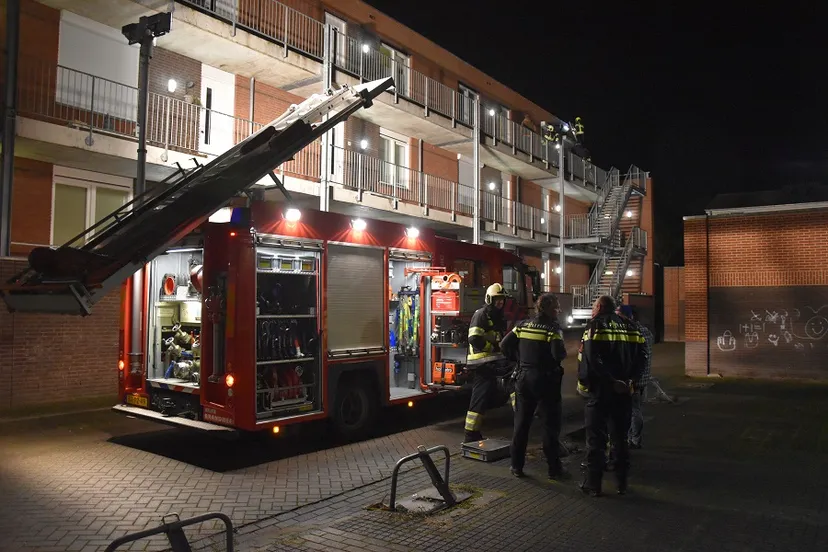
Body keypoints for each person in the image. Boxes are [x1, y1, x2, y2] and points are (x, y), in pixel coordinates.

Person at [577, 295, 646, 497]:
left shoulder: (595, 326)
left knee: (596, 440)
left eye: (593, 307)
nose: (592, 311)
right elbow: (642, 357)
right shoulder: (631, 326)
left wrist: (609, 381)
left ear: (599, 307)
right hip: (624, 392)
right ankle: (621, 483)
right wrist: (631, 381)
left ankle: (593, 485)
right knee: (620, 439)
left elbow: (591, 359)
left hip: (601, 392)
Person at [500, 293, 569, 480]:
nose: (558, 311)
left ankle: (516, 466)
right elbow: (558, 355)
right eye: (556, 307)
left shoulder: (522, 325)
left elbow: (504, 345)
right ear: (547, 308)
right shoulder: (552, 329)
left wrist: (520, 361)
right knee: (550, 426)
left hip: (523, 379)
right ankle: (554, 469)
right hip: (546, 381)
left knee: (521, 424)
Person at [463, 283, 509, 443]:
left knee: (491, 394)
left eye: (502, 300)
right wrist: (493, 347)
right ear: (490, 299)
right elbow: (474, 338)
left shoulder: (497, 316)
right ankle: (470, 434)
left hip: (493, 361)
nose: (500, 303)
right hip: (481, 363)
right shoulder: (481, 314)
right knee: (480, 397)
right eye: (497, 300)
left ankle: (472, 433)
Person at [625, 306, 653, 449]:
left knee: (633, 410)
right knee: (637, 408)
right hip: (644, 378)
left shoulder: (631, 333)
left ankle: (634, 439)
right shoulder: (647, 331)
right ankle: (634, 438)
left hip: (634, 379)